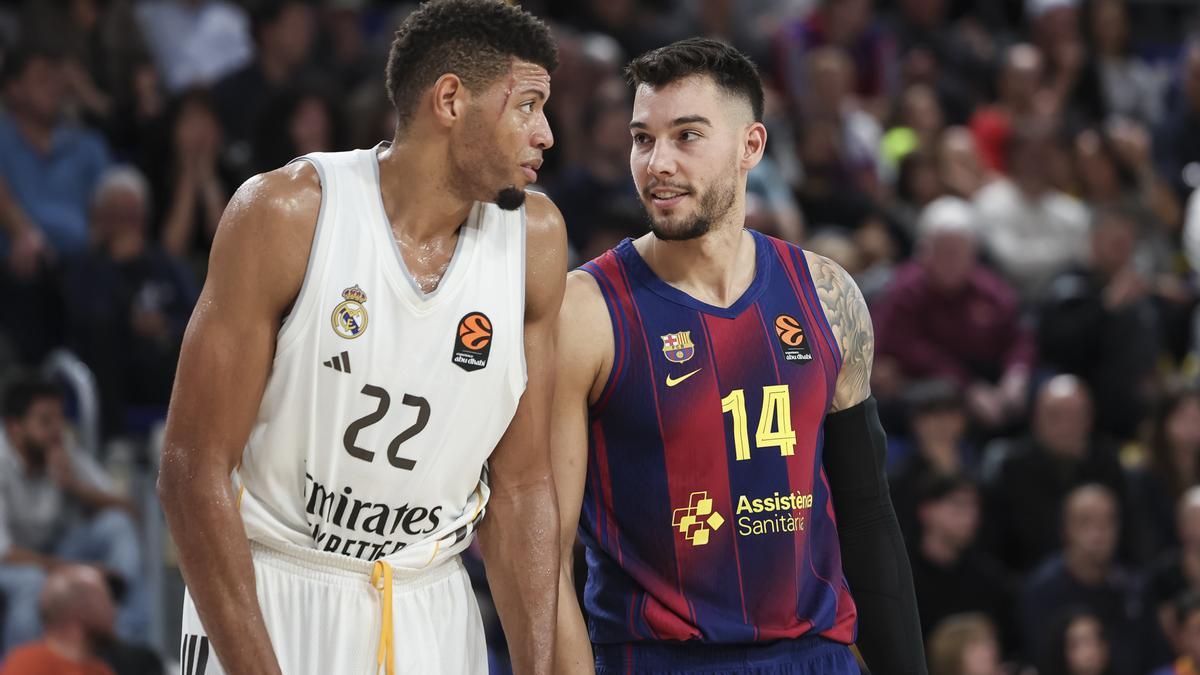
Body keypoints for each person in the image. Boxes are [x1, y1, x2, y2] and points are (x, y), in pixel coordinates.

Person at [155, 1, 566, 674]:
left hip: (426, 597)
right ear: (451, 99)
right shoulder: (288, 214)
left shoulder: (537, 243)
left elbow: (521, 488)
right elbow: (189, 470)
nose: (546, 133)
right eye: (526, 105)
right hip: (274, 585)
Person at [551, 38, 924, 674]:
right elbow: (543, 554)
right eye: (643, 139)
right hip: (661, 660)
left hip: (816, 657)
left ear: (751, 146)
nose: (657, 162)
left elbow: (867, 513)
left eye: (686, 136)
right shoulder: (583, 311)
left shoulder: (826, 294)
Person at [0, 377, 144, 654]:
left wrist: (74, 487)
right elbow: (5, 553)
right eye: (45, 422)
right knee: (32, 582)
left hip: (52, 551)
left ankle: (125, 649)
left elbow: (127, 510)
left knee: (117, 526)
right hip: (11, 563)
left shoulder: (60, 449)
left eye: (59, 420)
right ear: (14, 428)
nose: (56, 431)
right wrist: (74, 570)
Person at [0, 566, 117, 675]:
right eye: (105, 601)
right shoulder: (28, 666)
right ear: (81, 611)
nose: (114, 610)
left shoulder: (101, 670)